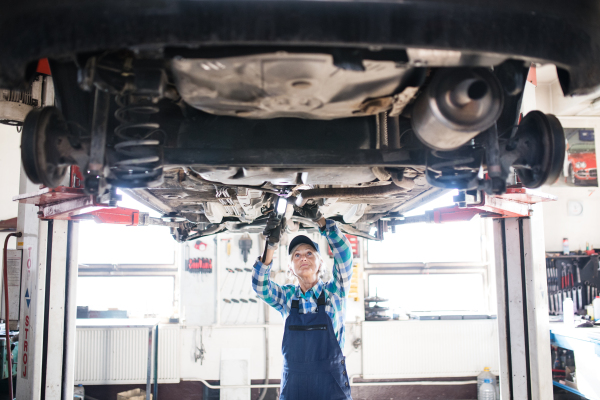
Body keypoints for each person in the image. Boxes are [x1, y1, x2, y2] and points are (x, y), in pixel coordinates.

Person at [252, 204, 353, 400]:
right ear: (290, 268)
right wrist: (270, 244)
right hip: (295, 389)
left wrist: (321, 221)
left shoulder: (335, 292)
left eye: (309, 253)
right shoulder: (287, 298)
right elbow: (260, 286)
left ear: (320, 263)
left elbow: (344, 254)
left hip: (331, 387)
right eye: (296, 255)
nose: (303, 258)